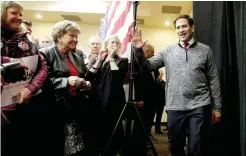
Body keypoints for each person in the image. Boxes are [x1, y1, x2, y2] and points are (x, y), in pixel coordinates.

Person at [131, 15, 222, 156]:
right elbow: (147, 66)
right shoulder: (168, 51)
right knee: (174, 145)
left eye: (184, 26)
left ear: (192, 27)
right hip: (175, 106)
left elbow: (213, 79)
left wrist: (217, 107)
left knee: (196, 147)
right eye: (178, 27)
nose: (181, 30)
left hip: (199, 105)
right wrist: (138, 50)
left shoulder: (205, 51)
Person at [40, 20, 107, 156]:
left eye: (76, 36)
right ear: (59, 36)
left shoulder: (76, 56)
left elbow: (84, 76)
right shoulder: (45, 53)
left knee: (76, 145)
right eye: (71, 36)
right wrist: (65, 81)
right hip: (55, 107)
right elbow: (41, 82)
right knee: (55, 143)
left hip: (75, 105)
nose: (75, 39)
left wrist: (85, 83)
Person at [1, 1, 48, 155]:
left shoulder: (27, 39)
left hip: (24, 104)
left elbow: (43, 67)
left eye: (20, 14)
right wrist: (11, 62)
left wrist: (31, 88)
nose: (19, 17)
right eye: (14, 13)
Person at [91, 35, 128, 155]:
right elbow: (90, 76)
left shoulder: (123, 61)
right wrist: (100, 60)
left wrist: (111, 57)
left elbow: (116, 77)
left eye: (117, 43)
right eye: (112, 42)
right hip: (98, 99)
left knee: (113, 130)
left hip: (114, 100)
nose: (115, 45)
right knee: (99, 130)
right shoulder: (100, 58)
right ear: (106, 45)